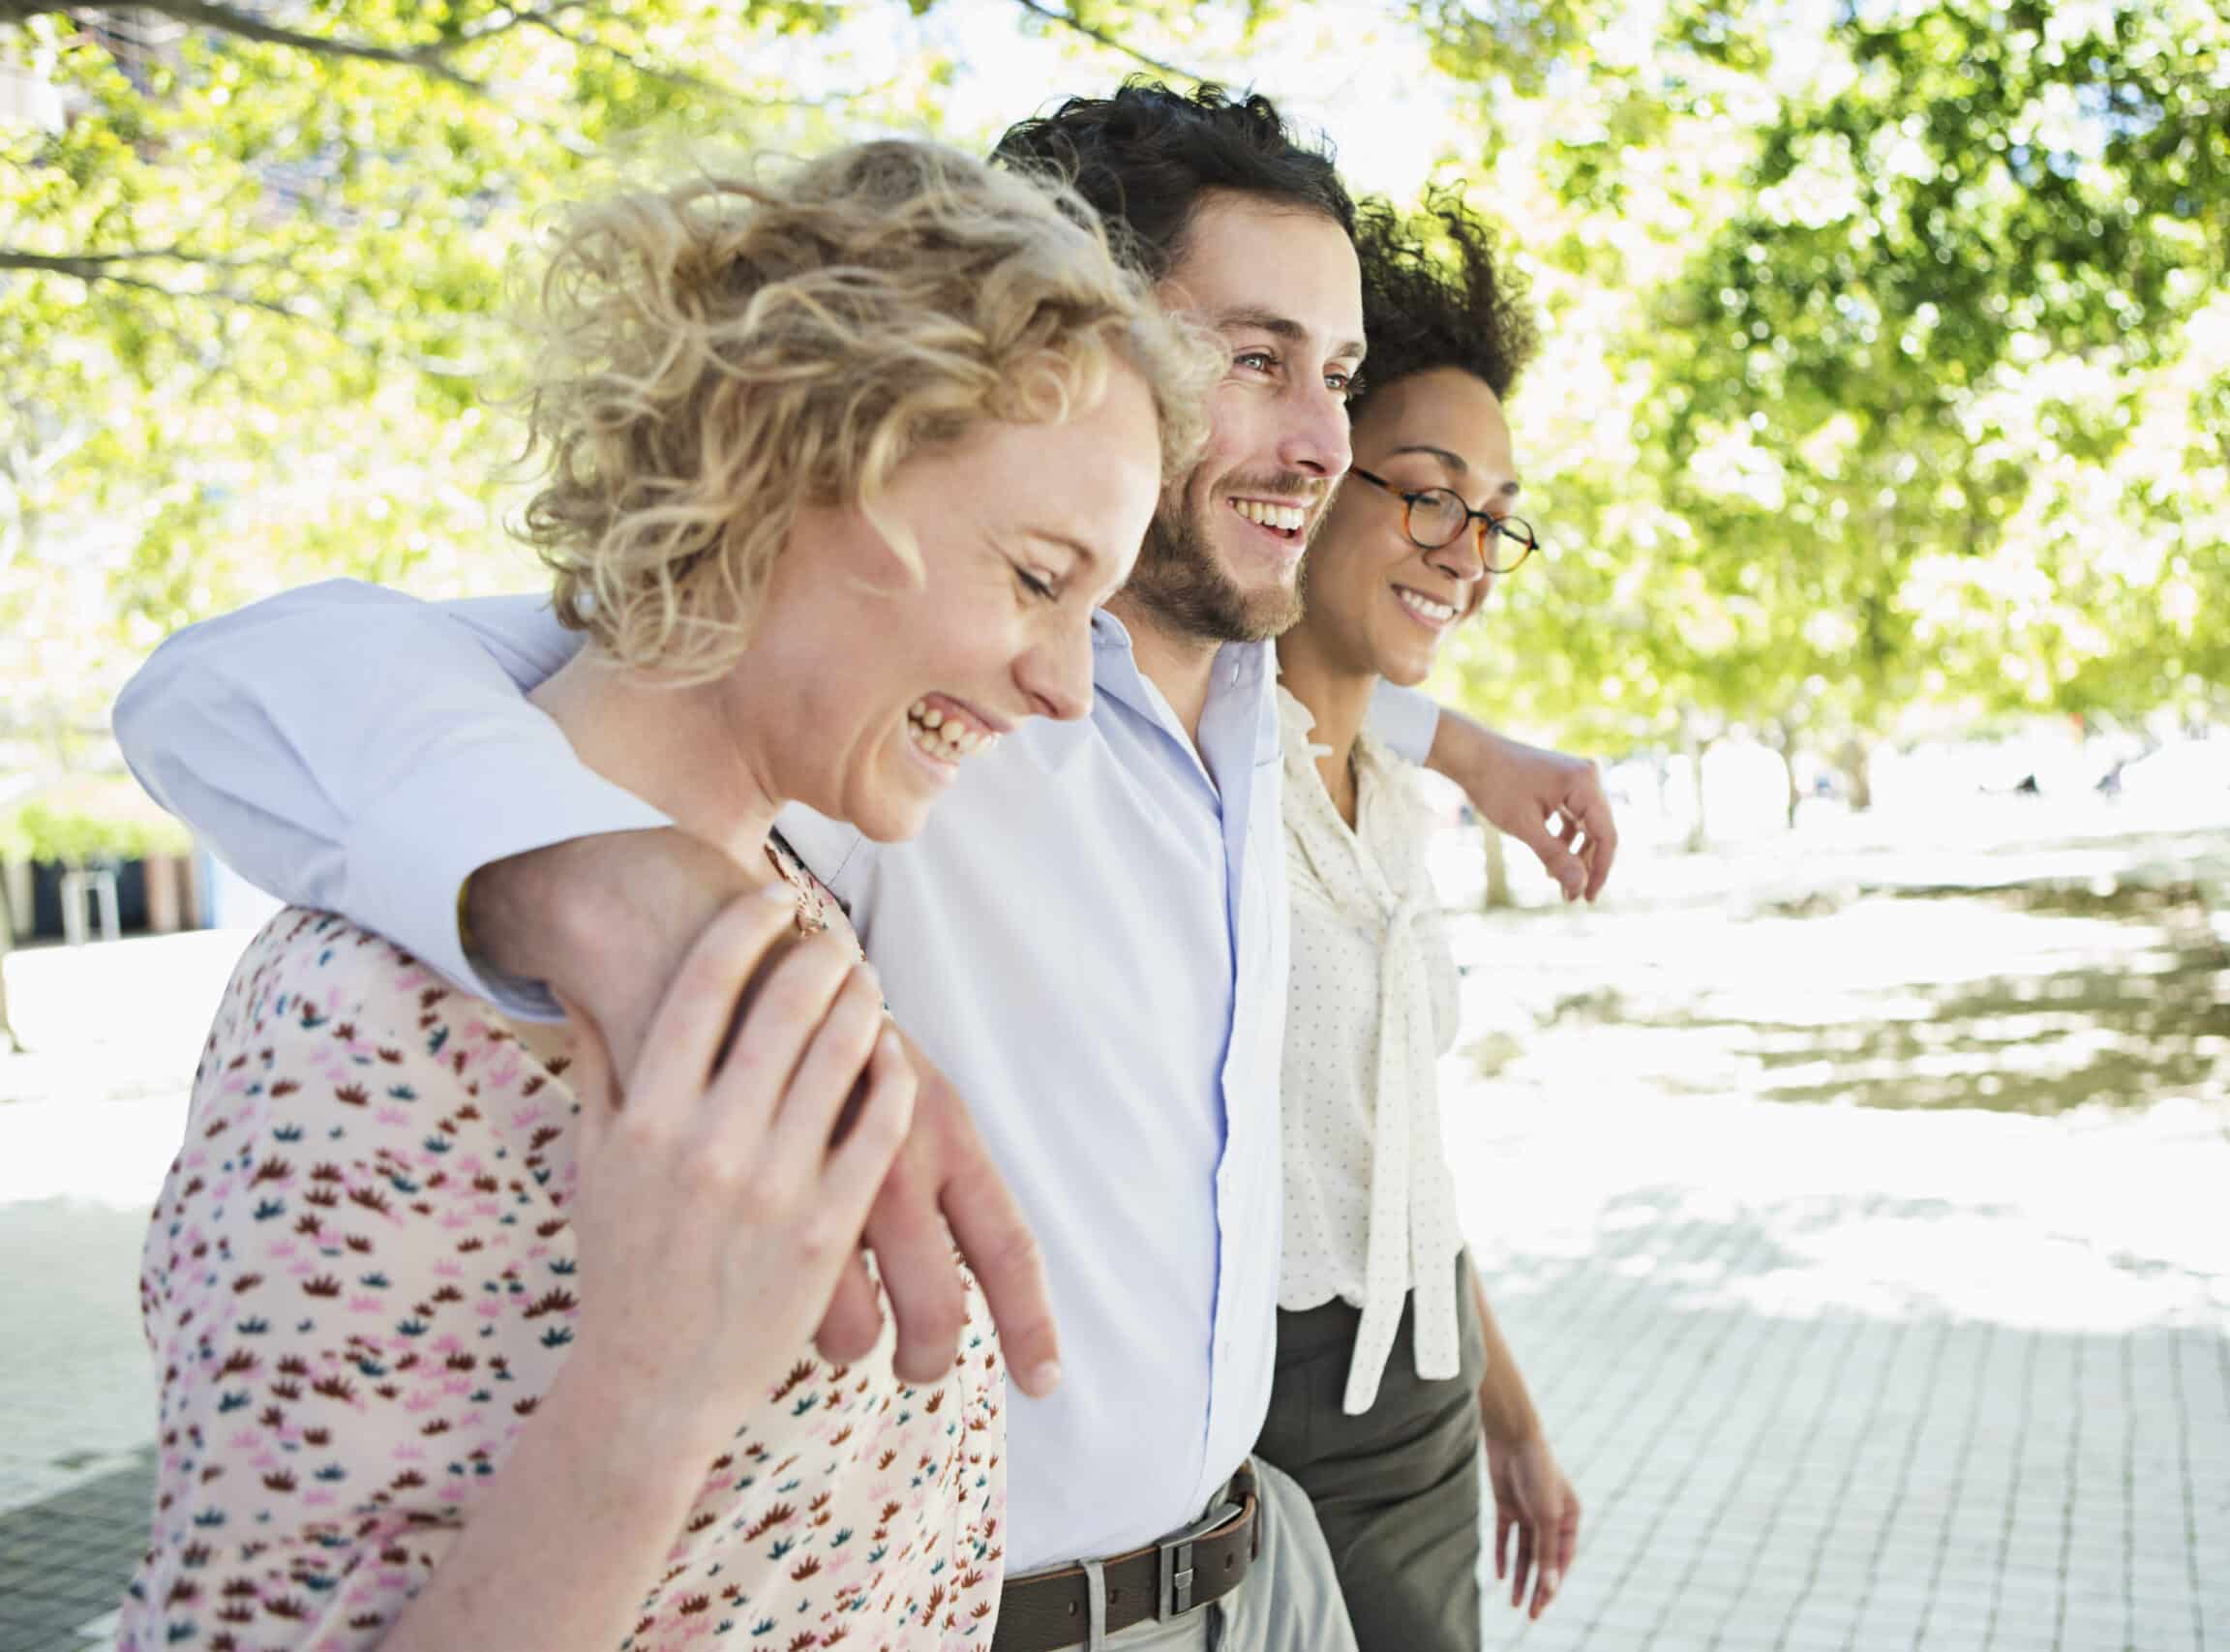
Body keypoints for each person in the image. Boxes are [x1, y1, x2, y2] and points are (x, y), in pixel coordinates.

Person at [114, 82, 1619, 1650]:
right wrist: (586, 880)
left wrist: (1482, 754)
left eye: (1341, 375)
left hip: (1250, 1563)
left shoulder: (1243, 702)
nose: (1326, 440)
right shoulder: (873, 710)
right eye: (1254, 358)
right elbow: (235, 689)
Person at [1252, 195, 1581, 1652]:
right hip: (1259, 1438)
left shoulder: (1393, 795)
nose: (1466, 548)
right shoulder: (1192, 771)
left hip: (1433, 1411)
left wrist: (1507, 1413)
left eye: (1495, 513)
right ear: (1318, 472)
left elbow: (1400, 1159)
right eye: (1430, 490)